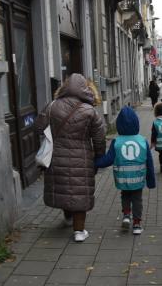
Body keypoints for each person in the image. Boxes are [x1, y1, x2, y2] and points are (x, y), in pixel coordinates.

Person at [34, 73, 106, 242]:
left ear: (65, 87)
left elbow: (38, 127)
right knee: (79, 191)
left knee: (65, 187)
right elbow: (99, 138)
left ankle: (67, 218)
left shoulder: (51, 107)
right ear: (86, 89)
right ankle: (79, 231)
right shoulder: (90, 111)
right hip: (82, 157)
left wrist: (52, 137)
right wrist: (99, 155)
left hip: (57, 156)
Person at [95, 106, 156, 235]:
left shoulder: (116, 142)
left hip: (122, 177)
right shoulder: (142, 141)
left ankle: (127, 215)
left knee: (125, 195)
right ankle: (137, 224)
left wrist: (94, 163)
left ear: (119, 125)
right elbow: (149, 162)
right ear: (136, 123)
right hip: (138, 178)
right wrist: (151, 181)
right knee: (137, 199)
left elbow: (108, 160)